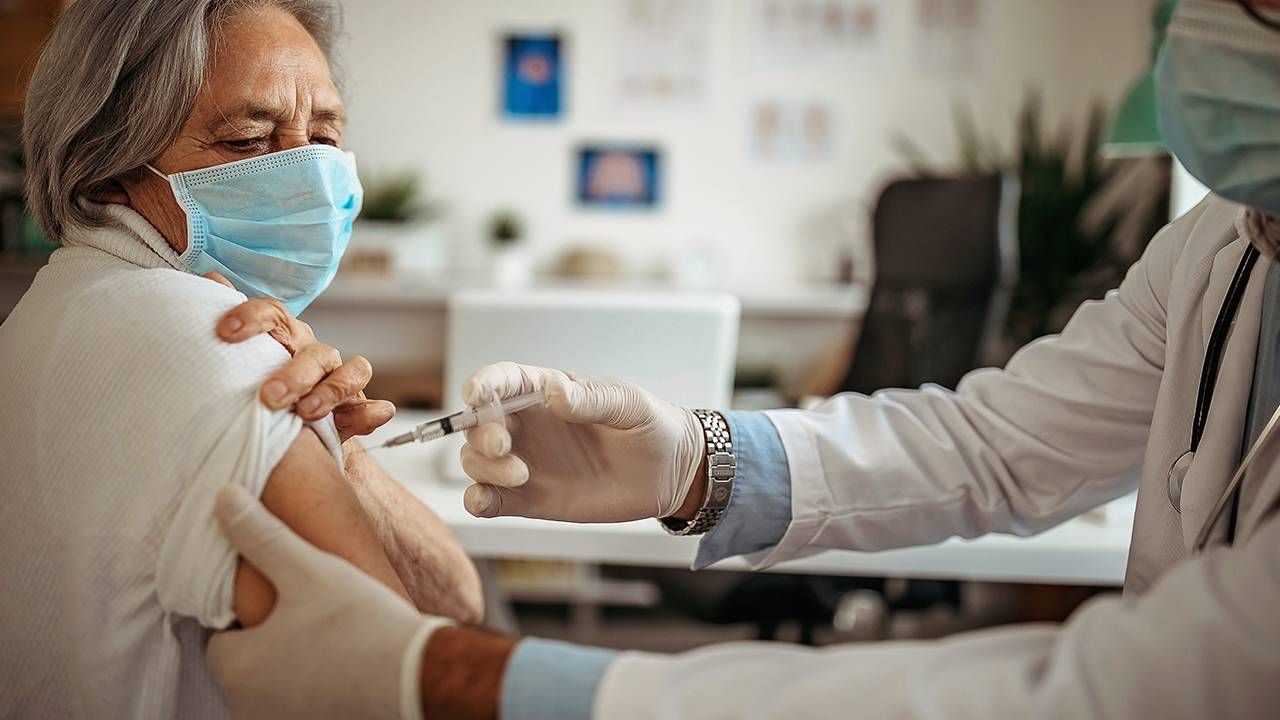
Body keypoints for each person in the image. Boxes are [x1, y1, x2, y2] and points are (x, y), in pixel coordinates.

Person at [202, 0, 1280, 717]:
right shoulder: (1223, 242)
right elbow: (994, 444)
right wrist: (694, 462)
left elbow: (1153, 687)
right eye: (248, 141)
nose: (1203, 27)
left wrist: (467, 680)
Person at [0, 1, 481, 717]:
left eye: (323, 137)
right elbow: (402, 667)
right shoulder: (207, 335)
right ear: (106, 169)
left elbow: (455, 596)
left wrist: (334, 446)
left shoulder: (50, 307)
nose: (305, 174)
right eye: (249, 141)